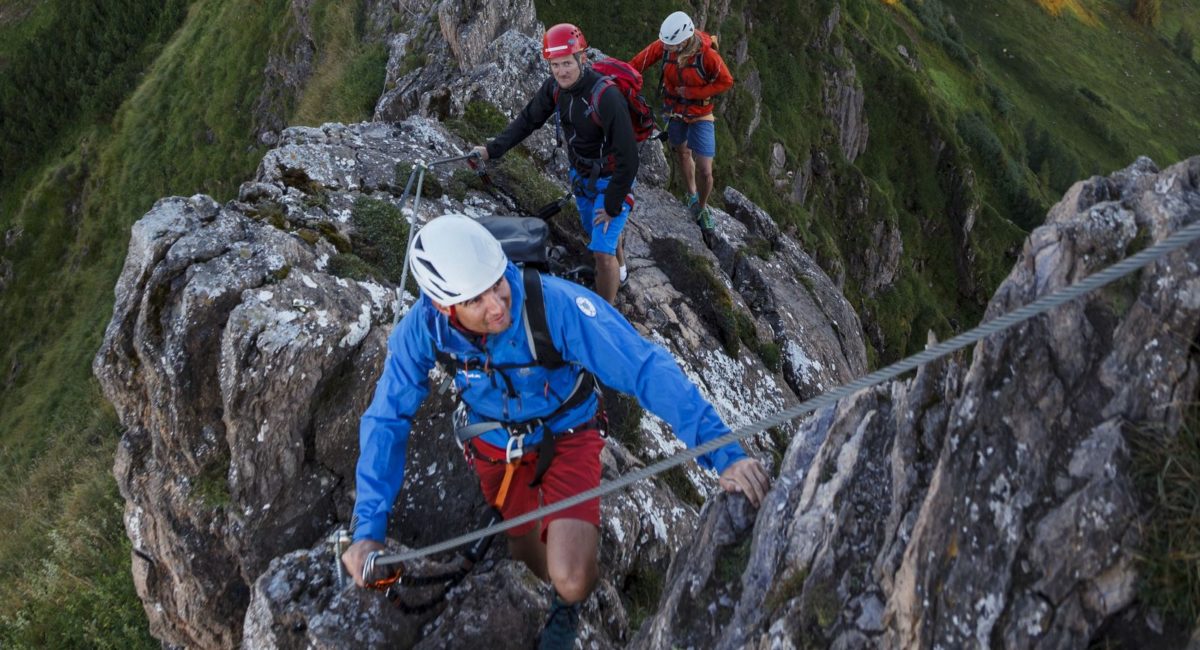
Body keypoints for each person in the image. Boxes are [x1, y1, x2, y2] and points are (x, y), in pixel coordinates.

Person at [342, 214, 771, 649]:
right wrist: (368, 529)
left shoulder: (554, 305)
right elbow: (386, 418)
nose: (497, 305)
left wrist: (725, 454)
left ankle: (566, 614)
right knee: (529, 561)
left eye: (497, 283)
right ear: (444, 308)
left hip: (568, 434)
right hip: (497, 450)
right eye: (476, 300)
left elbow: (644, 367)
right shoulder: (423, 330)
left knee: (571, 576)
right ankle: (543, 595)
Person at [470, 23, 636, 306]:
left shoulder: (606, 97)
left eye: (567, 63)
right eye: (555, 65)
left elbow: (629, 157)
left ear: (582, 59)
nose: (562, 71)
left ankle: (604, 315)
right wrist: (490, 151)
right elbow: (528, 121)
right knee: (597, 234)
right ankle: (621, 269)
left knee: (600, 253)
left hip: (610, 181)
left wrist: (612, 203)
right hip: (582, 178)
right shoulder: (555, 89)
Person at [629, 11, 733, 242]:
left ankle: (702, 207)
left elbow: (726, 81)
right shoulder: (665, 45)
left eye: (671, 44)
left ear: (685, 40)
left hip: (701, 113)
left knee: (705, 170)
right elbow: (638, 63)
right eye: (665, 43)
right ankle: (691, 195)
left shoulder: (707, 56)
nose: (665, 48)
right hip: (675, 110)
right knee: (682, 152)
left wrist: (695, 92)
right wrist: (620, 78)